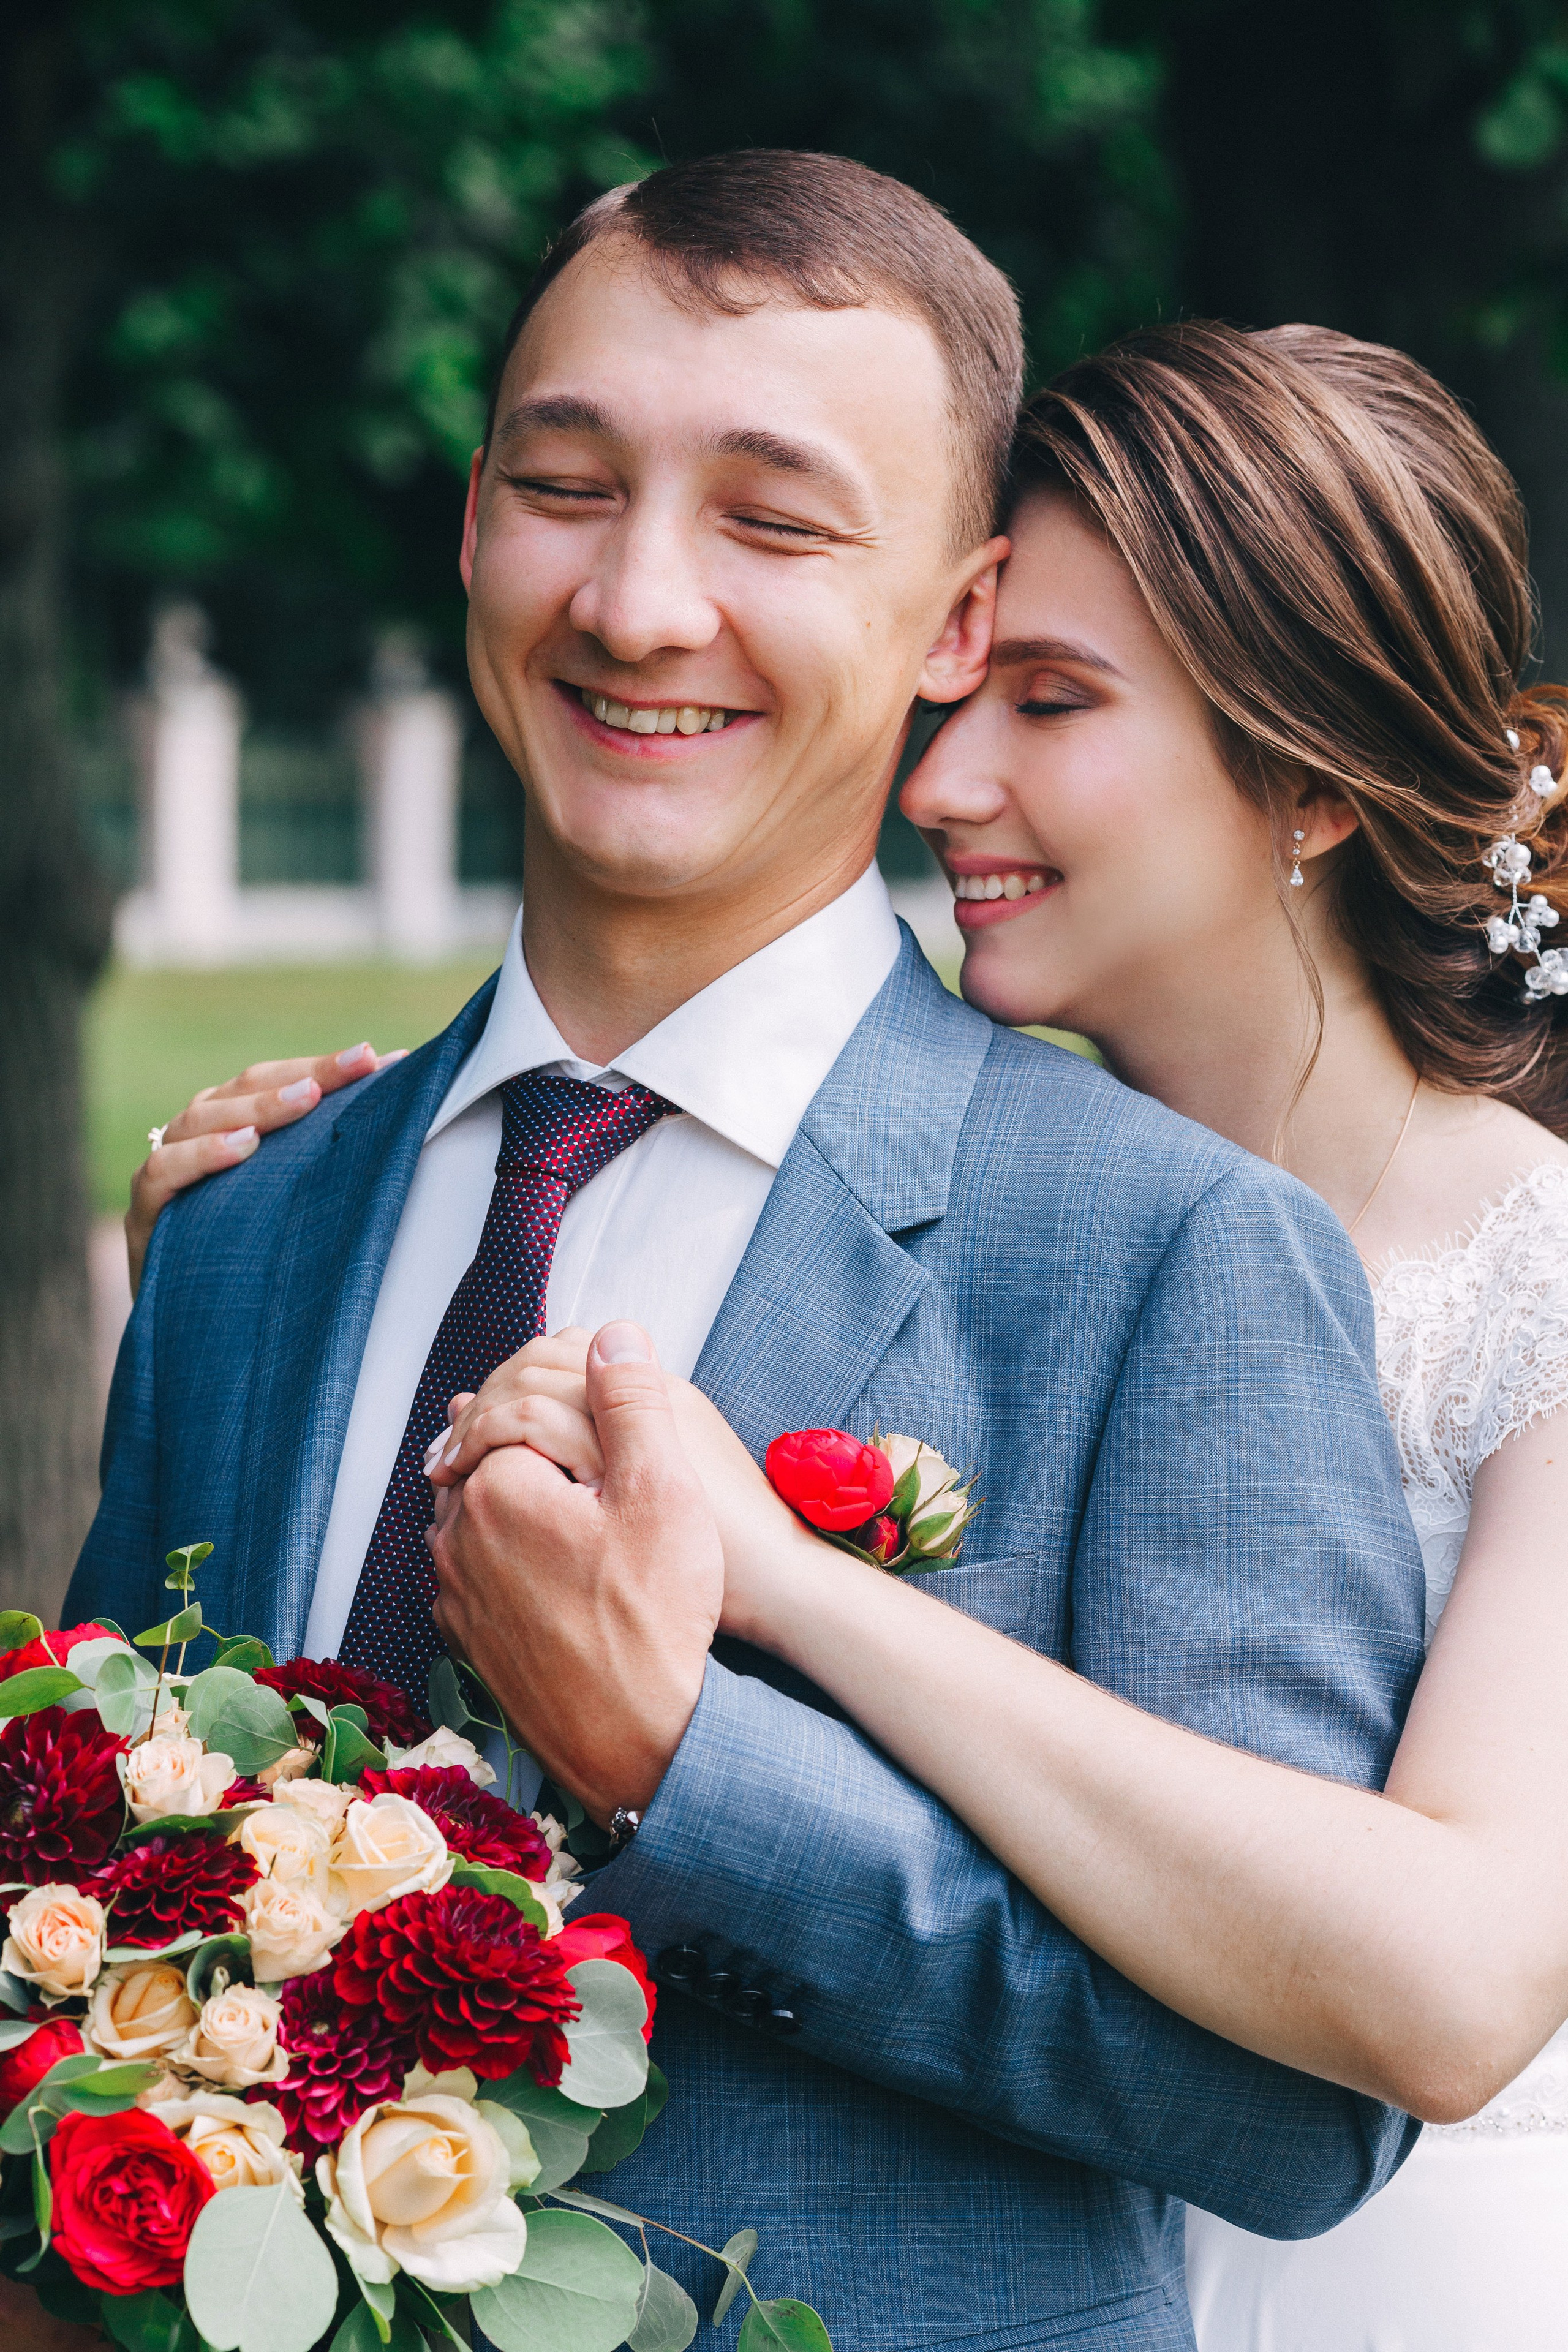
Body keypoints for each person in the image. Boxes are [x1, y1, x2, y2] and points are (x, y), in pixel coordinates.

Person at [73, 165, 1425, 2351]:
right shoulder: (241, 1235)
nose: (637, 603)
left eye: (775, 526)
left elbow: (1299, 2113)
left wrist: (684, 1774)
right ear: (472, 519)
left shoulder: (1172, 1256)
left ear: (958, 619)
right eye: (565, 485)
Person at [417, 322, 1568, 2351]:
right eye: (963, 690)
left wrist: (787, 1590)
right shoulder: (906, 1207)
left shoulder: (1541, 1280)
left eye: (1052, 701)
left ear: (1305, 779)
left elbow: (1460, 1984)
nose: (941, 782)